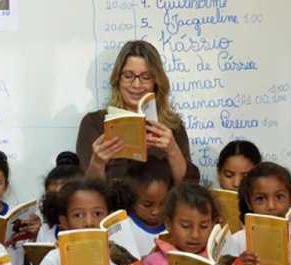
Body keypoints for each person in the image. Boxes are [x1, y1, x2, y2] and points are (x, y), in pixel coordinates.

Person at [76, 40, 199, 183]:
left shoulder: (172, 127)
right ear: (118, 79)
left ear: (156, 82)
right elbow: (88, 191)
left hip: (161, 205)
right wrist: (98, 163)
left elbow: (189, 186)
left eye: (146, 77)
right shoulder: (94, 123)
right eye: (128, 76)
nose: (136, 85)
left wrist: (172, 149)